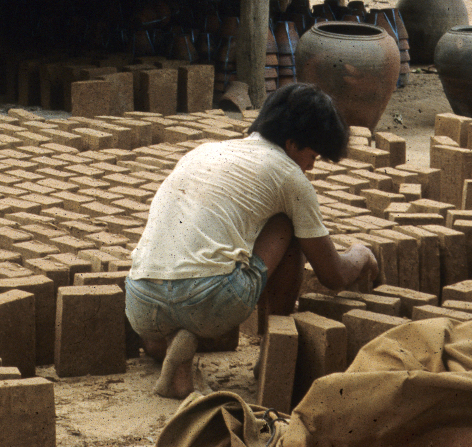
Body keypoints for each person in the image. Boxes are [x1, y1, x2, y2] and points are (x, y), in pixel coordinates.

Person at [126, 82, 379, 398]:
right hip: (207, 301)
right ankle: (271, 355)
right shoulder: (289, 176)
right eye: (312, 155)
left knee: (179, 286)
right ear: (291, 143)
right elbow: (334, 275)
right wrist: (362, 254)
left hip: (139, 301)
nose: (311, 167)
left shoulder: (203, 151)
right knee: (289, 226)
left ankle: (166, 349)